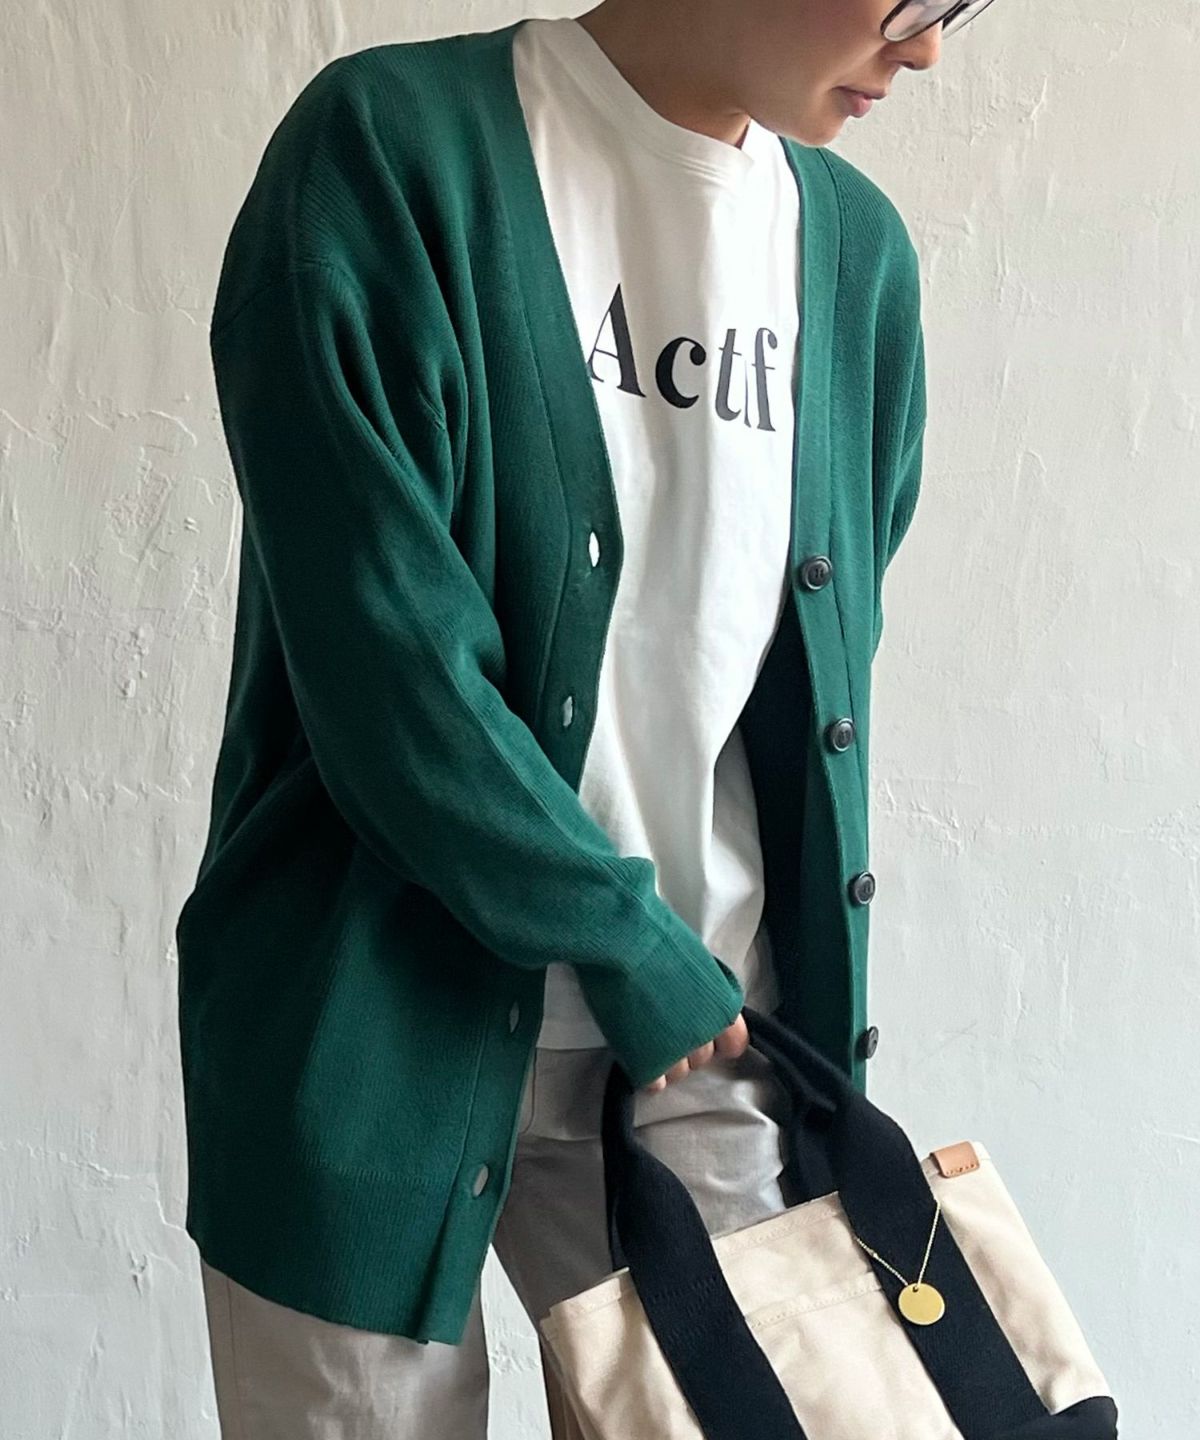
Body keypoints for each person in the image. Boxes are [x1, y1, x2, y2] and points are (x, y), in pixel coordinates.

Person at [179, 1, 981, 1433]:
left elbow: (806, 679)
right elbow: (386, 670)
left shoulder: (857, 261)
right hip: (369, 1025)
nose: (926, 49)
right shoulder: (389, 156)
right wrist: (620, 940)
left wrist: (689, 979)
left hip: (705, 1033)